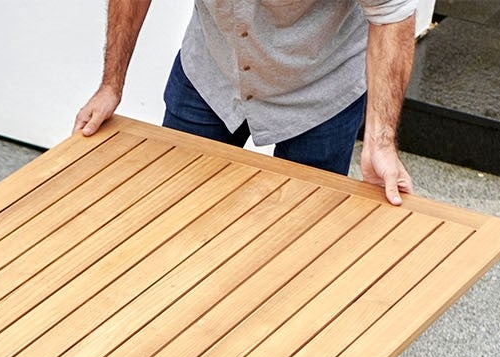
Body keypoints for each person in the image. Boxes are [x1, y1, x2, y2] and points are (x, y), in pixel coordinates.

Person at [73, 0, 417, 205]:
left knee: (302, 235)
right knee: (175, 205)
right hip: (213, 69)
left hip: (319, 86)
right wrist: (110, 84)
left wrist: (381, 143)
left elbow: (392, 15)